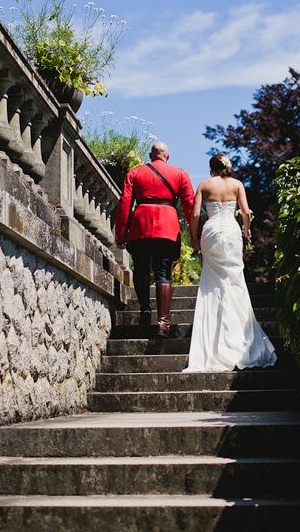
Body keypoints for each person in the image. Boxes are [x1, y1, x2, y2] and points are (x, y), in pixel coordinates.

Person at [183, 154, 278, 372]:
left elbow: (196, 213)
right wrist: (246, 229)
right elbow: (245, 211)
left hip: (211, 231)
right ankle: (239, 333)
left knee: (212, 283)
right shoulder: (237, 184)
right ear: (227, 167)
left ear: (211, 169)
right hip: (232, 232)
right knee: (234, 280)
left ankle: (213, 337)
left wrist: (194, 238)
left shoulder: (204, 185)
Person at [114, 141, 195, 338]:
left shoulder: (135, 173)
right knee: (163, 272)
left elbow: (125, 204)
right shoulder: (180, 174)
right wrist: (195, 236)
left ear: (151, 156)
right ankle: (163, 323)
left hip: (140, 226)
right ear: (167, 156)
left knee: (141, 268)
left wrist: (121, 233)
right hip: (167, 227)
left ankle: (145, 309)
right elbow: (190, 206)